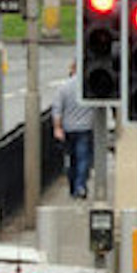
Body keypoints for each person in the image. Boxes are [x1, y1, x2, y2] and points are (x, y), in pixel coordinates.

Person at [53, 61, 95, 199]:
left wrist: (57, 128)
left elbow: (57, 110)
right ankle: (80, 186)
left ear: (72, 69)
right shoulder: (89, 85)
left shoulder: (63, 88)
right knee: (83, 159)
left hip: (68, 128)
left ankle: (73, 187)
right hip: (85, 127)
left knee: (72, 160)